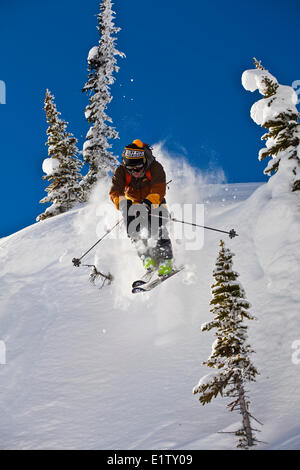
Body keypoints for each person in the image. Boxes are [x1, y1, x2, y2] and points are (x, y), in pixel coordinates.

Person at [109, 139, 173, 276]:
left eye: (137, 168)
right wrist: (122, 203)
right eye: (130, 169)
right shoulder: (121, 171)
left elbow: (159, 188)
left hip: (154, 201)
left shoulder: (155, 167)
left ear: (144, 162)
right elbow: (115, 192)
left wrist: (149, 203)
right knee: (133, 227)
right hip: (134, 204)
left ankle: (166, 259)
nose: (134, 172)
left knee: (157, 225)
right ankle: (146, 257)